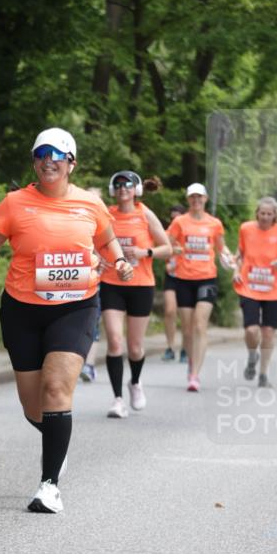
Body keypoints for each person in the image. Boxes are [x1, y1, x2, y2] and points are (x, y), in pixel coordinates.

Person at [0, 127, 133, 513]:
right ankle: (56, 442)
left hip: (75, 306)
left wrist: (121, 261)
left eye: (57, 155)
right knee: (33, 407)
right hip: (22, 308)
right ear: (34, 161)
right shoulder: (14, 203)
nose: (48, 161)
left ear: (70, 163)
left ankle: (49, 486)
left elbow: (107, 242)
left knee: (56, 390)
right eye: (41, 153)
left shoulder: (91, 204)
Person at [100, 171, 171, 418]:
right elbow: (95, 243)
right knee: (115, 341)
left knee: (135, 347)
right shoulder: (107, 215)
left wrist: (145, 253)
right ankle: (118, 399)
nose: (122, 189)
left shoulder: (145, 214)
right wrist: (98, 258)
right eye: (117, 184)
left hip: (141, 284)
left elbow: (168, 248)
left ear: (136, 189)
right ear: (113, 189)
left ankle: (135, 382)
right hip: (112, 283)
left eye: (127, 185)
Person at [166, 183, 234, 391]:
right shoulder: (179, 222)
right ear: (188, 200)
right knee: (187, 329)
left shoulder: (214, 224)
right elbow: (166, 243)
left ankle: (195, 374)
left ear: (205, 199)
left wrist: (230, 259)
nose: (196, 200)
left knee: (199, 324)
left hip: (207, 278)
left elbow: (222, 248)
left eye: (199, 197)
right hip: (184, 278)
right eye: (192, 197)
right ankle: (191, 362)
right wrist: (173, 250)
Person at [233, 197, 277, 388]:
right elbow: (239, 254)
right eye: (262, 213)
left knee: (268, 332)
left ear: (275, 215)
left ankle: (263, 374)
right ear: (257, 213)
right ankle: (253, 355)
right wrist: (236, 270)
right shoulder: (246, 229)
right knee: (251, 330)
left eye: (269, 214)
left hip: (272, 290)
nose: (265, 217)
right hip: (249, 287)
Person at [80, 187, 104, 383]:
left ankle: (88, 365)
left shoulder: (106, 223)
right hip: (72, 282)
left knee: (93, 323)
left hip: (99, 282)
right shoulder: (73, 220)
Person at [162, 205, 188, 363]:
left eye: (177, 218)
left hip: (187, 278)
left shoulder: (189, 233)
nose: (174, 221)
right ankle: (170, 347)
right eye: (172, 218)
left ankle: (185, 348)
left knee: (186, 316)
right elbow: (157, 249)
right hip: (171, 276)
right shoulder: (166, 234)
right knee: (170, 310)